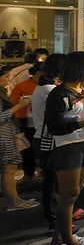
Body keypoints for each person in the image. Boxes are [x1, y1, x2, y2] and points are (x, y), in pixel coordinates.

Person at [45, 52, 84, 245]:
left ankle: (59, 238)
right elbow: (56, 127)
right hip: (68, 147)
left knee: (73, 194)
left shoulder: (83, 90)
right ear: (80, 70)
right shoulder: (59, 94)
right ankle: (68, 239)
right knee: (69, 194)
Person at [32, 54, 67, 235]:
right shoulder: (49, 89)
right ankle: (54, 222)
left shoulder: (46, 86)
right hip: (47, 139)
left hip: (45, 138)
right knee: (53, 183)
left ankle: (58, 217)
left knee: (54, 182)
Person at [0, 67, 39, 212]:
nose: (8, 80)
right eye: (5, 77)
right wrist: (19, 106)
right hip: (3, 138)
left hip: (8, 135)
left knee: (8, 169)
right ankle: (14, 201)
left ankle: (15, 199)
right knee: (8, 169)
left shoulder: (3, 93)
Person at [9, 61, 43, 182]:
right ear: (39, 73)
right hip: (23, 119)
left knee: (40, 147)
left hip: (40, 120)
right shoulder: (22, 86)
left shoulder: (47, 86)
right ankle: (28, 173)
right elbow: (11, 104)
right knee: (27, 148)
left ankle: (39, 170)